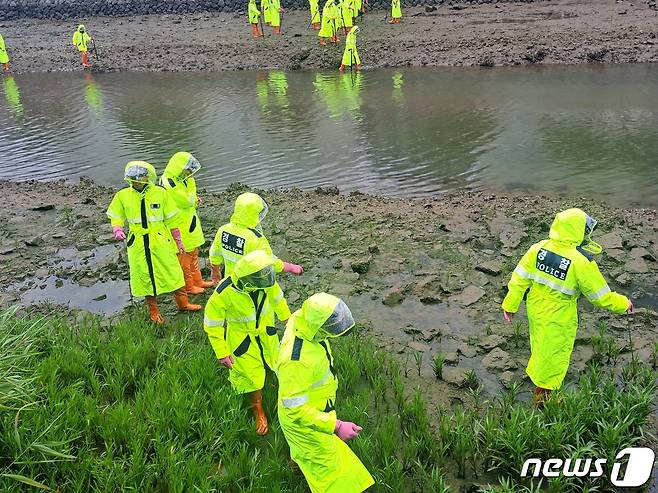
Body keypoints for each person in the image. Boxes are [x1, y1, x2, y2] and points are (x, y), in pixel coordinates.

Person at [501, 208, 633, 405]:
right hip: (559, 315)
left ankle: (540, 384)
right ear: (578, 231)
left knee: (540, 344)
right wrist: (624, 303)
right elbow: (600, 297)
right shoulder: (581, 261)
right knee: (554, 355)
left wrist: (510, 305)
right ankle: (542, 401)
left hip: (536, 308)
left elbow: (519, 278)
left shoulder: (539, 248)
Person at [276, 293, 374, 493]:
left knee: (304, 455)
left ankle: (297, 467)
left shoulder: (301, 320)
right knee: (330, 477)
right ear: (317, 325)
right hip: (304, 422)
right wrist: (336, 426)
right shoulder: (296, 361)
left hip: (314, 409)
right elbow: (296, 411)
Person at [203, 250, 291, 435]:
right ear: (248, 278)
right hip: (242, 340)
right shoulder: (224, 292)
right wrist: (221, 351)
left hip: (266, 333)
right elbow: (213, 324)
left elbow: (277, 299)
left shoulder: (265, 280)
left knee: (272, 362)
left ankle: (271, 387)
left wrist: (288, 321)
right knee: (251, 375)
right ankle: (258, 409)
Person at [106, 161, 201, 325]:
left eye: (140, 177)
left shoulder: (160, 193)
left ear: (147, 177)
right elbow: (116, 215)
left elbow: (172, 218)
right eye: (134, 178)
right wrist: (117, 229)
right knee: (145, 276)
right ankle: (154, 311)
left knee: (174, 271)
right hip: (138, 243)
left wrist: (178, 241)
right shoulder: (123, 196)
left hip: (161, 239)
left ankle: (183, 304)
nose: (137, 181)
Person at [208, 191, 303, 284]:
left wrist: (215, 271)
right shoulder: (256, 239)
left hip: (229, 281)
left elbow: (214, 254)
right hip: (250, 283)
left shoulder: (223, 230)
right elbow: (270, 262)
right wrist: (290, 267)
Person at [160, 152, 215, 297]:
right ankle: (189, 287)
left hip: (188, 223)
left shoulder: (180, 179)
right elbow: (187, 201)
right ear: (179, 167)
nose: (190, 174)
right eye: (188, 171)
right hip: (180, 225)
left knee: (193, 254)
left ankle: (198, 281)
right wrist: (192, 186)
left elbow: (189, 199)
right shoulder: (169, 182)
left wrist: (193, 196)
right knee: (185, 258)